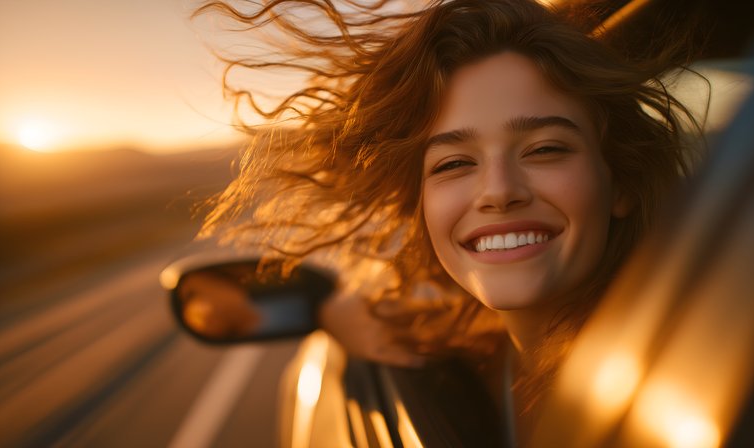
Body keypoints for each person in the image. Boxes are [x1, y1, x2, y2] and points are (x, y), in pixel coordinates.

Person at [195, 0, 701, 435]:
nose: (499, 191)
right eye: (454, 163)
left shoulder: (683, 380)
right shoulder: (475, 348)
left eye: (545, 149)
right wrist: (335, 311)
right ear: (421, 208)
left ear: (621, 184)